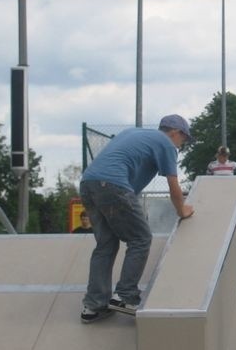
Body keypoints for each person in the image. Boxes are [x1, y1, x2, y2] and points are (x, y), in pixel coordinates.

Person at [79, 115, 194, 323]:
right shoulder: (166, 144)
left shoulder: (133, 133)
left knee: (106, 243)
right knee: (140, 239)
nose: (181, 146)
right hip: (113, 185)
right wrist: (182, 210)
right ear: (175, 133)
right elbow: (173, 185)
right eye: (183, 141)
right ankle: (124, 296)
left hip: (88, 184)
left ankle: (94, 305)